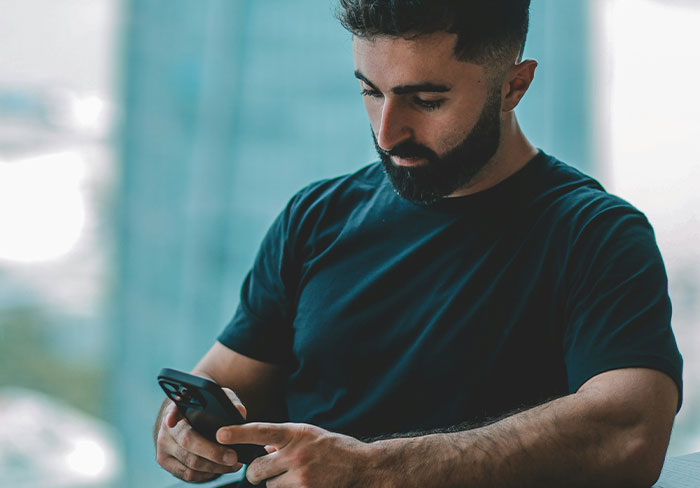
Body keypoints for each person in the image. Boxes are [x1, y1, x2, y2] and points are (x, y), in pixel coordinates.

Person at [154, 1, 683, 486]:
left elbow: (629, 432)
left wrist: (376, 472)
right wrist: (186, 430)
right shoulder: (316, 216)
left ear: (513, 87)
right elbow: (223, 381)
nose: (387, 134)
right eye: (370, 91)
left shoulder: (595, 234)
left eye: (426, 100)